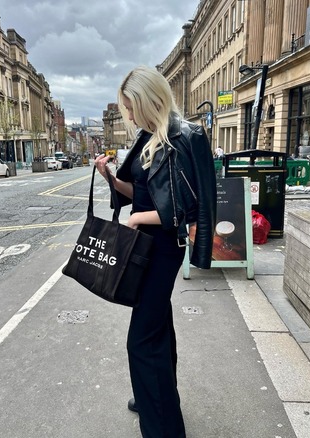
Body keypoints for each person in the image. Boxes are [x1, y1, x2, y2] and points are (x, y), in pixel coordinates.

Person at [94, 65, 216, 437]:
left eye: (130, 106)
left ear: (149, 100)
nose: (128, 114)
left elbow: (183, 210)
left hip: (161, 250)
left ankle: (163, 426)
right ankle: (156, 398)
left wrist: (135, 221)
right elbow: (146, 195)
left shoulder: (183, 136)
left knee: (141, 342)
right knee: (157, 327)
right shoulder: (149, 138)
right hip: (146, 245)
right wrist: (111, 179)